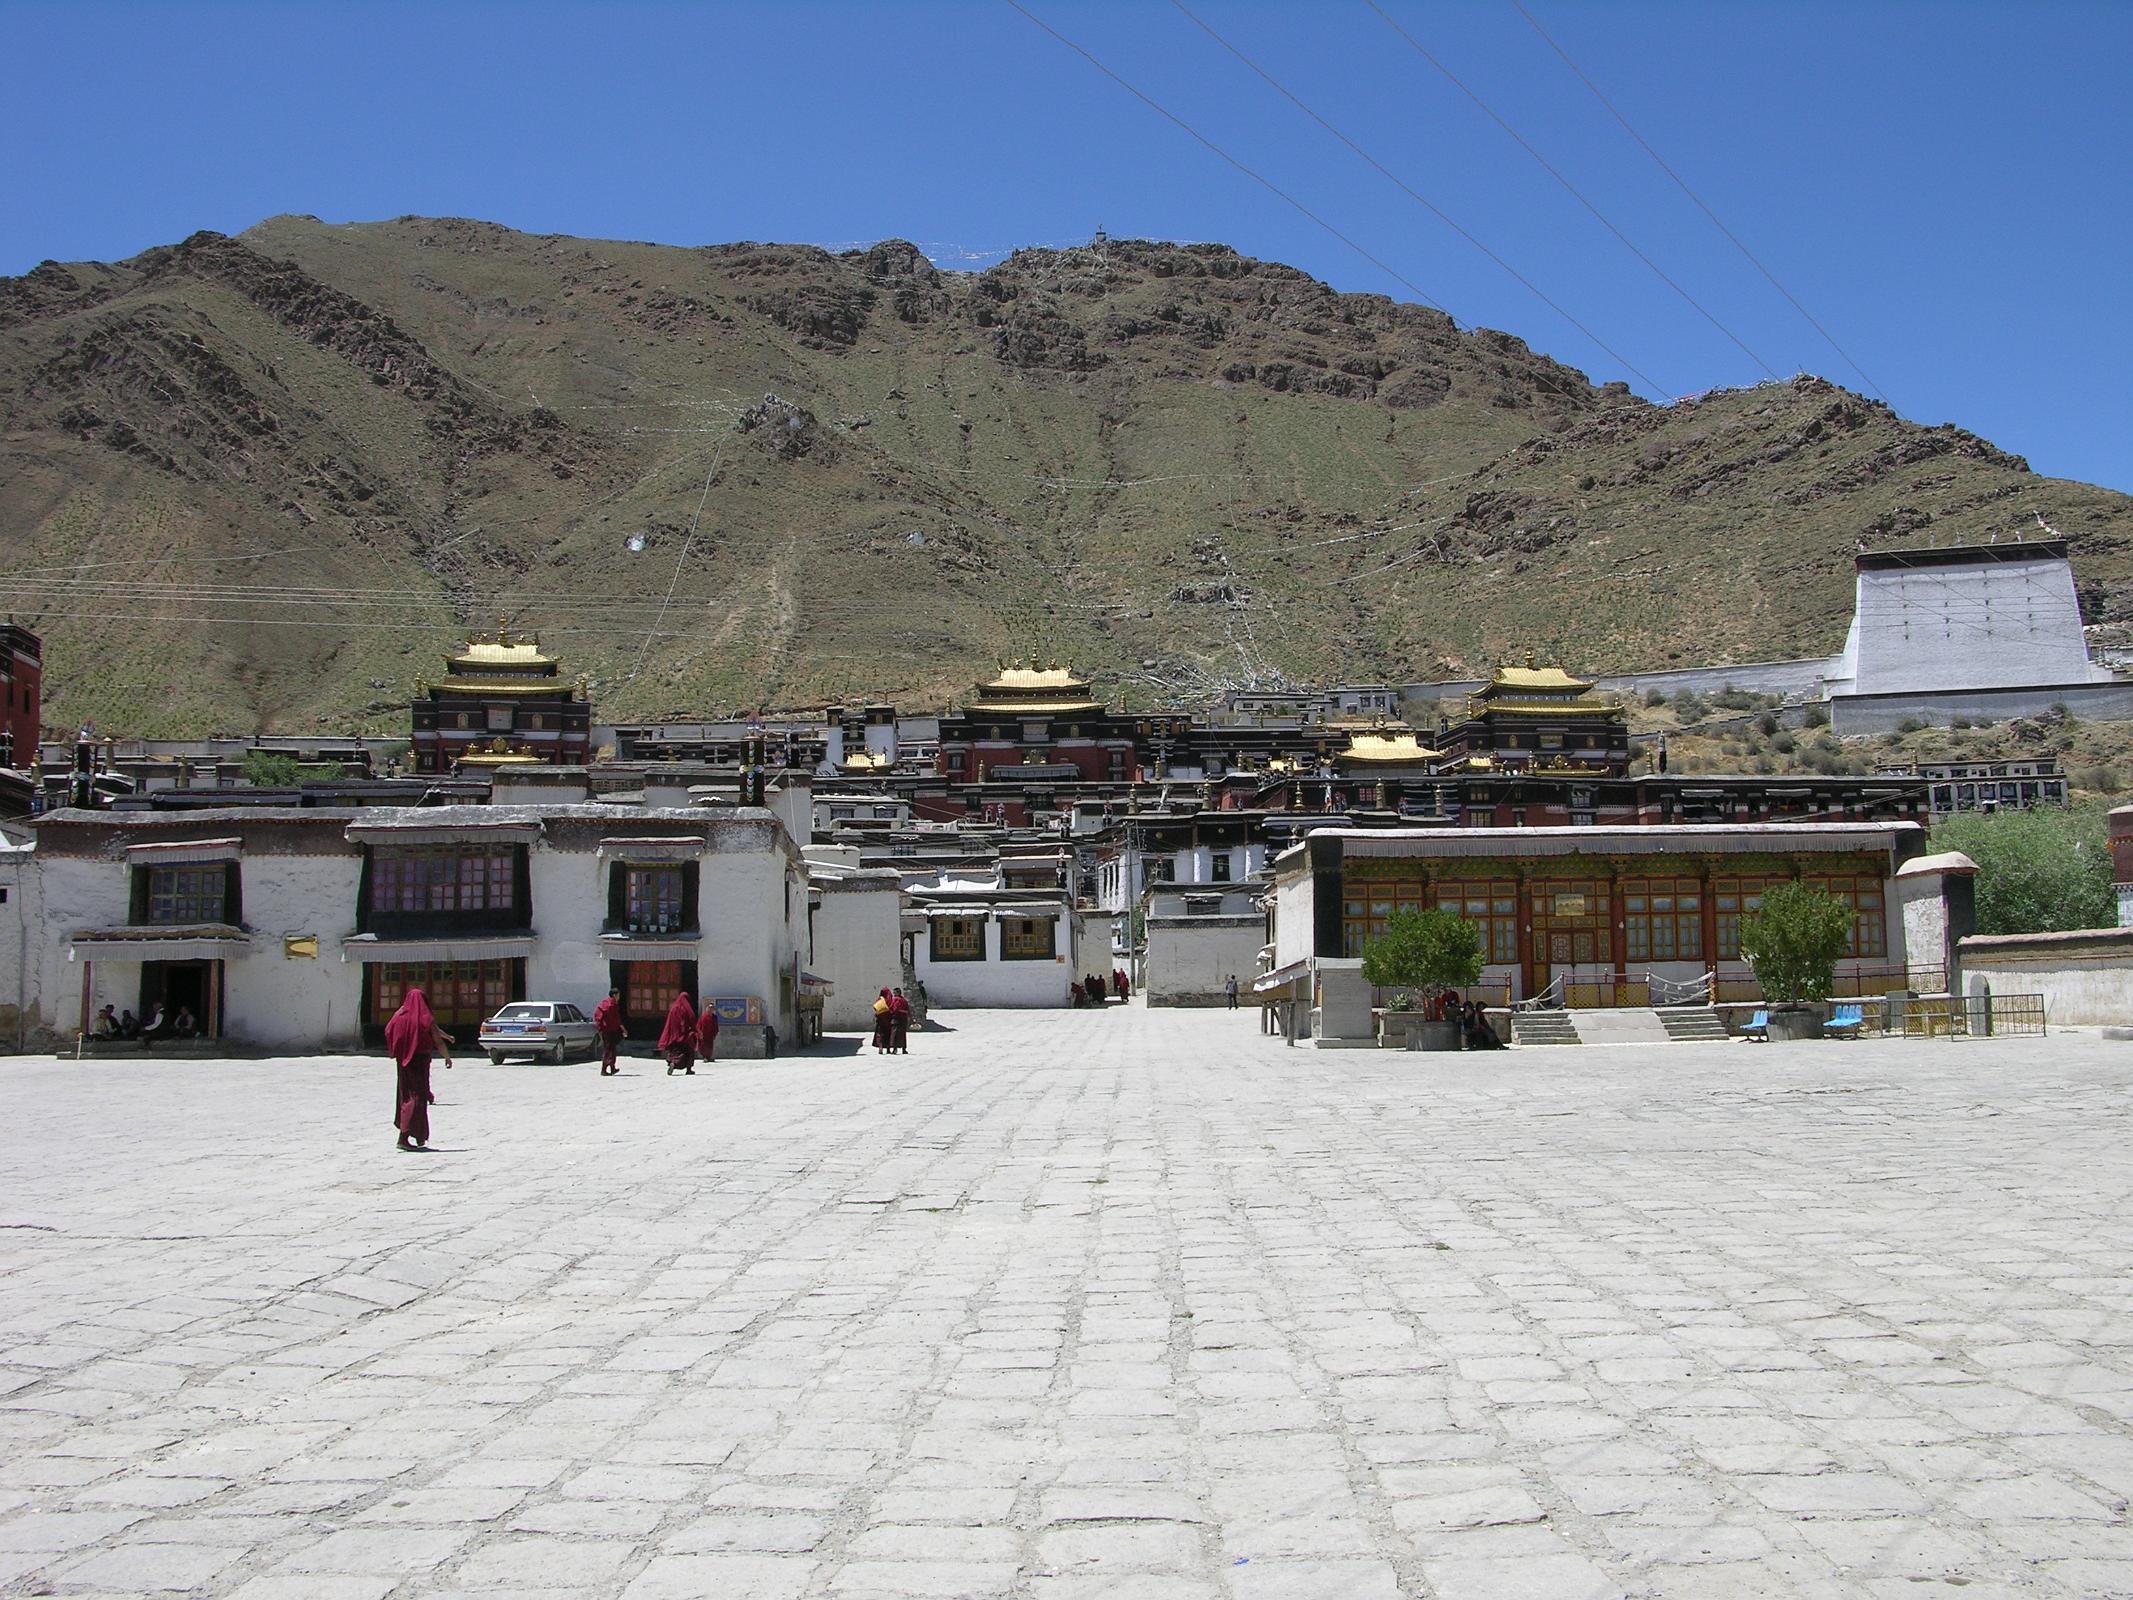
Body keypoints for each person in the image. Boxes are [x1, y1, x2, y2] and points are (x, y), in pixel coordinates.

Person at [384, 986, 453, 1151]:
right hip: (419, 1062)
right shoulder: (424, 1017)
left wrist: (397, 1048)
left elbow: (388, 1030)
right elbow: (437, 1039)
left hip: (403, 1062)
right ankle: (404, 1135)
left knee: (405, 1096)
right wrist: (447, 1057)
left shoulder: (399, 1016)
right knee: (416, 1098)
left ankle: (416, 1136)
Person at [658, 990, 698, 1075]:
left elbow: (669, 1023)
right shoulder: (686, 1008)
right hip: (684, 1036)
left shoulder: (673, 1008)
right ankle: (688, 1069)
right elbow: (692, 1018)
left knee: (675, 1051)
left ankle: (672, 1062)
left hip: (673, 1036)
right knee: (689, 1051)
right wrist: (695, 1030)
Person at [592, 988, 624, 1076]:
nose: (619, 997)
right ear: (614, 995)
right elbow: (617, 1019)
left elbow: (597, 1015)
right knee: (608, 1049)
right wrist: (623, 1029)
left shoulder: (604, 1003)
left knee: (611, 1049)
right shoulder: (611, 1005)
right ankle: (604, 1069)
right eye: (618, 995)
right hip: (609, 1030)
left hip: (606, 1030)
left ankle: (612, 1068)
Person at [696, 997, 721, 1065]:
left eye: (712, 1009)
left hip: (710, 1035)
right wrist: (700, 1033)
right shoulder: (703, 1016)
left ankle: (709, 1057)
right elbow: (699, 1025)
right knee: (704, 1046)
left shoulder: (714, 1017)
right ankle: (705, 1057)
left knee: (710, 1046)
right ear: (707, 1009)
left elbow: (716, 1025)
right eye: (710, 1008)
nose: (711, 1010)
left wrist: (715, 1033)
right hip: (704, 1035)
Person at [887, 987, 911, 1054]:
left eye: (894, 993)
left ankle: (895, 1049)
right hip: (903, 1019)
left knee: (895, 1034)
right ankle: (904, 1049)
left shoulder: (896, 1000)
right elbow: (908, 1009)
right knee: (903, 1034)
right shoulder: (904, 1000)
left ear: (898, 993)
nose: (894, 994)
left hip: (896, 1019)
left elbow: (894, 1009)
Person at [872, 988, 892, 1053]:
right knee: (888, 1034)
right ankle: (888, 1049)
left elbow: (875, 1007)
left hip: (880, 1020)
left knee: (880, 1034)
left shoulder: (880, 1000)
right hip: (889, 1020)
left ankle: (880, 1048)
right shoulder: (890, 1000)